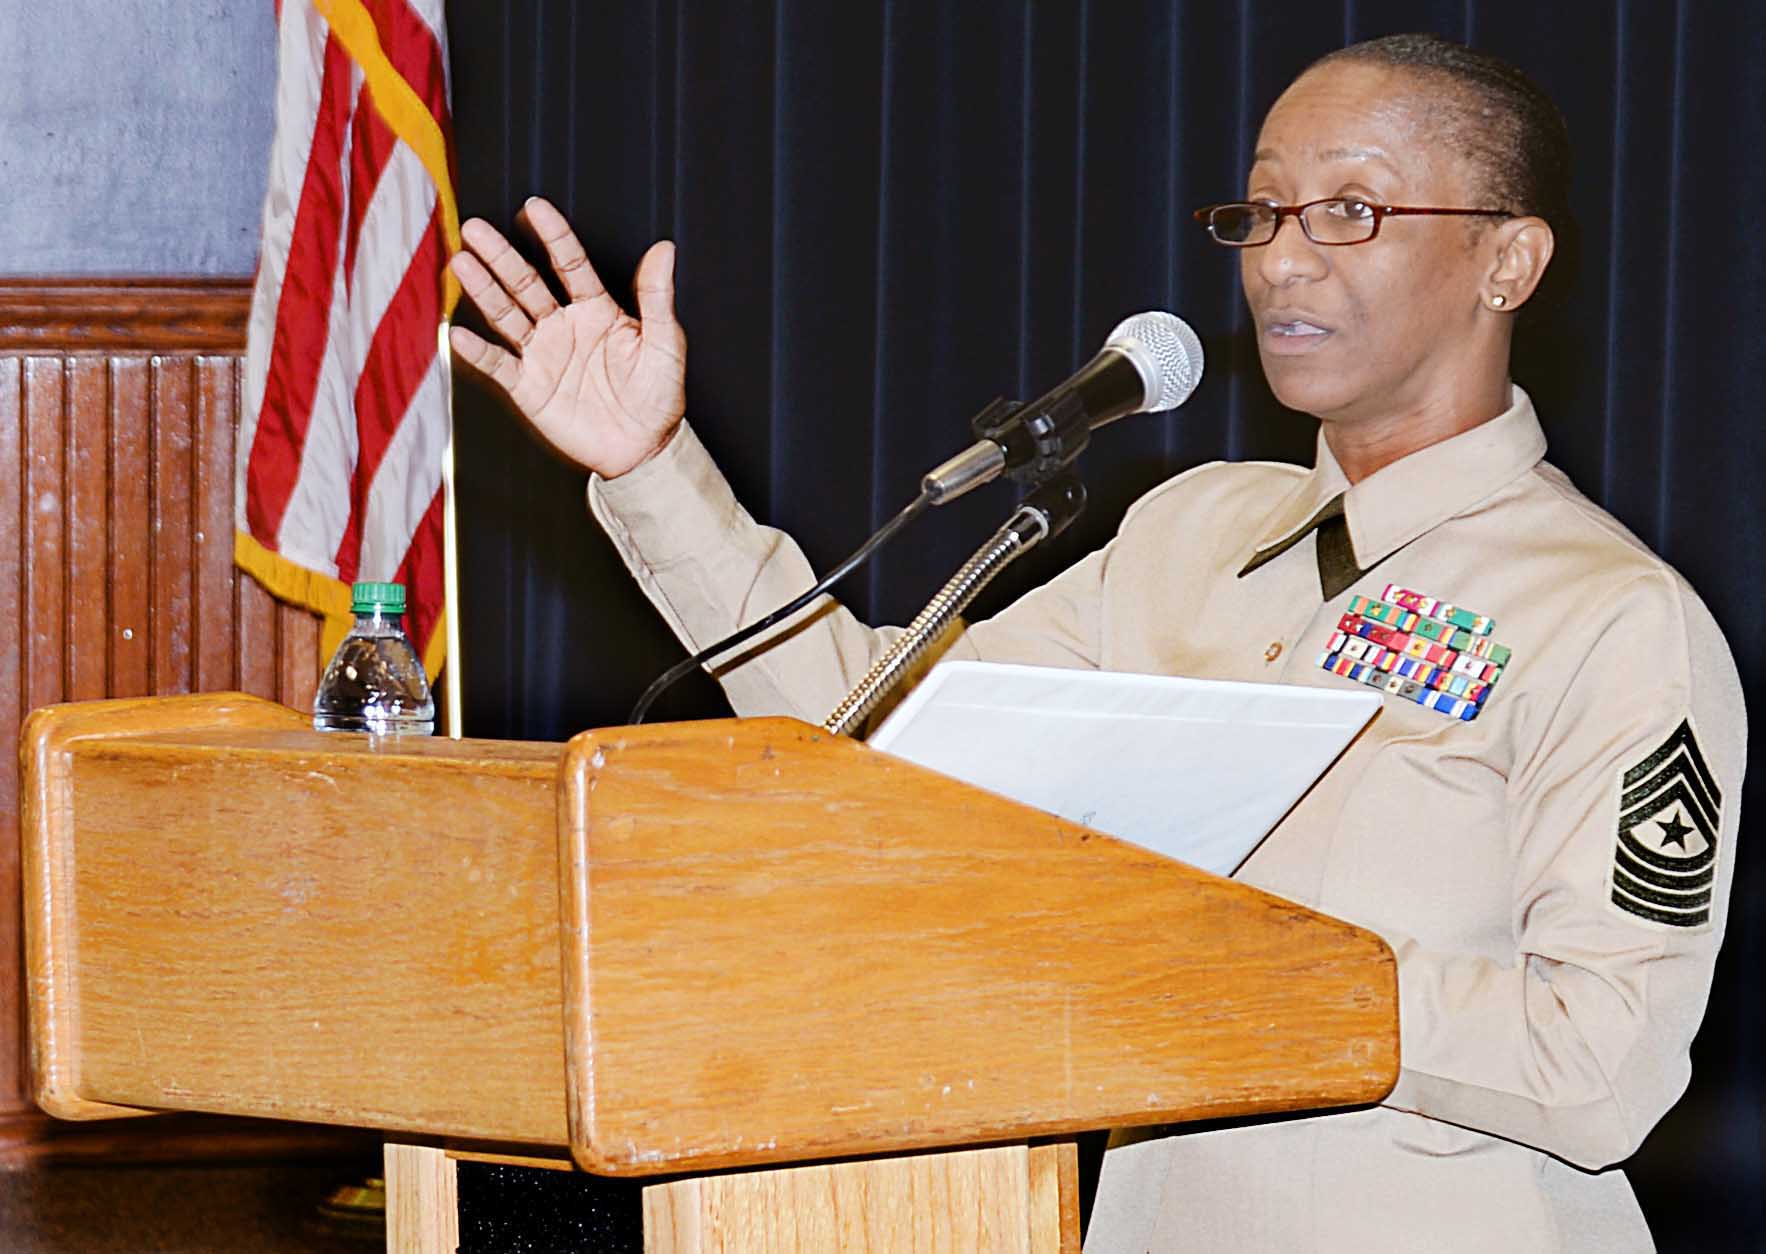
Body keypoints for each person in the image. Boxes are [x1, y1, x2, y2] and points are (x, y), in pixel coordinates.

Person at [448, 32, 1744, 1254]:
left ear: (1507, 262)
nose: (1283, 259)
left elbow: (1601, 1064)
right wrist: (654, 469)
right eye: (1263, 210)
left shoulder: (1609, 614)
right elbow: (870, 733)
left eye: (1351, 210)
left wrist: (1255, 962)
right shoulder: (1188, 533)